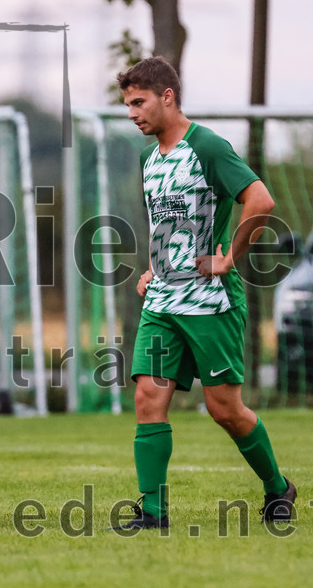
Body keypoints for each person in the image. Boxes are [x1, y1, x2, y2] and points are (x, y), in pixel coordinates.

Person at [114, 55, 295, 529]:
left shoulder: (208, 146)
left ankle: (278, 488)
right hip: (163, 302)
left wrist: (229, 257)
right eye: (127, 105)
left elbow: (261, 200)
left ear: (167, 96)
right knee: (147, 397)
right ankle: (153, 511)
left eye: (139, 102)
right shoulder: (148, 157)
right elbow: (166, 224)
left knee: (225, 410)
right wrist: (155, 266)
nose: (132, 113)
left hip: (210, 301)